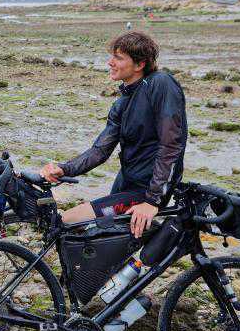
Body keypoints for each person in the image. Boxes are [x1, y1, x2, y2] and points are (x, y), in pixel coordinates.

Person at [39, 31, 187, 238]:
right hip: (126, 183)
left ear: (139, 64)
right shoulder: (122, 103)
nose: (110, 63)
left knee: (69, 220)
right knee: (106, 241)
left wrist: (153, 201)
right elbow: (100, 150)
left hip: (147, 190)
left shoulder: (161, 84)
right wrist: (65, 169)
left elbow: (172, 144)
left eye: (118, 58)